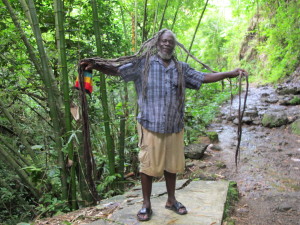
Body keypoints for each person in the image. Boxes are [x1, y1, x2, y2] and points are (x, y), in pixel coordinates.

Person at [80, 29, 248, 221]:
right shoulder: (143, 64)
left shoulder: (181, 68)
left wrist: (230, 73)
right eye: (163, 41)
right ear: (156, 43)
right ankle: (146, 204)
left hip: (174, 125)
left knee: (172, 165)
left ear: (174, 46)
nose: (167, 44)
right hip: (150, 125)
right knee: (148, 165)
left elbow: (202, 77)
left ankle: (171, 200)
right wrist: (95, 65)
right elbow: (118, 70)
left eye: (170, 42)